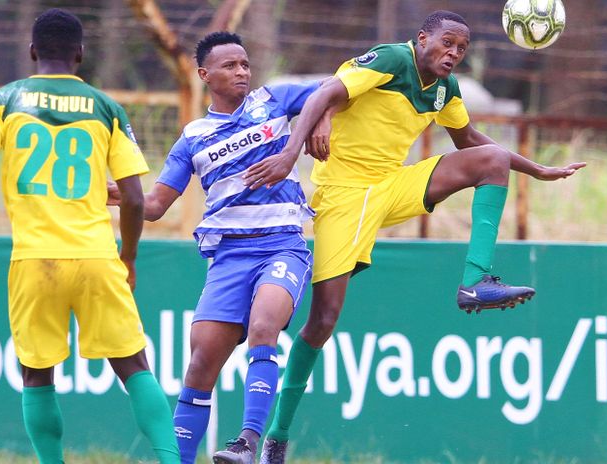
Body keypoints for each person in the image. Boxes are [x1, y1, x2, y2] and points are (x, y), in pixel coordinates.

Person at [243, 10, 586, 463]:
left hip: (392, 185)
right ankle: (276, 438)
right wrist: (291, 153)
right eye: (447, 43)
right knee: (323, 320)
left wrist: (536, 169)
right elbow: (328, 90)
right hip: (346, 194)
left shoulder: (445, 88)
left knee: (493, 160)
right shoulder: (391, 59)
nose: (454, 53)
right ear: (422, 38)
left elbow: (468, 139)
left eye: (462, 49)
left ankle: (475, 281)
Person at [0, 9, 180, 464]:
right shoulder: (106, 108)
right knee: (135, 367)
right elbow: (135, 198)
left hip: (35, 260)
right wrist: (129, 256)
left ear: (32, 51)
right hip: (96, 256)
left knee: (37, 376)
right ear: (80, 53)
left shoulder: (4, 100)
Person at [110, 32, 317, 464]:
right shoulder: (193, 137)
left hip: (282, 246)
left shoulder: (274, 100)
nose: (242, 71)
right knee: (200, 362)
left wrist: (321, 122)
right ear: (204, 75)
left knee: (264, 326)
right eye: (230, 66)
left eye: (245, 64)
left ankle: (247, 444)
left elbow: (337, 89)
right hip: (229, 257)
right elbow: (154, 206)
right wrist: (103, 191)